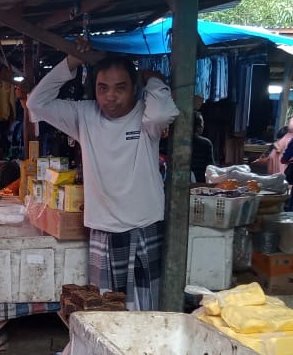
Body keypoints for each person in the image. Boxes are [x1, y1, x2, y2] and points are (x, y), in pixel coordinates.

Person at [27, 42, 179, 310]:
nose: (110, 97)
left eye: (120, 88)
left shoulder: (147, 117)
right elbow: (36, 103)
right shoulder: (84, 115)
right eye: (102, 88)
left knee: (145, 310)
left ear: (134, 89)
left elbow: (164, 111)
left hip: (144, 226)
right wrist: (70, 62)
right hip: (103, 230)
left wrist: (153, 81)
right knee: (105, 311)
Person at [190, 113, 216, 184]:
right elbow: (211, 167)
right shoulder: (206, 143)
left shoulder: (178, 141)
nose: (203, 126)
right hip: (202, 182)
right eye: (202, 124)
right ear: (198, 127)